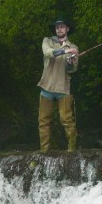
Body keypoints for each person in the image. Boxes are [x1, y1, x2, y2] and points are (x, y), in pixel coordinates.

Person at [37, 17, 80, 152]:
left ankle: (71, 151)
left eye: (62, 26)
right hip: (46, 87)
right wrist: (65, 51)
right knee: (43, 121)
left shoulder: (74, 48)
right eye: (57, 27)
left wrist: (70, 62)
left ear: (67, 29)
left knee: (67, 121)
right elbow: (48, 53)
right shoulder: (47, 41)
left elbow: (73, 70)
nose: (59, 29)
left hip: (63, 88)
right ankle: (45, 152)